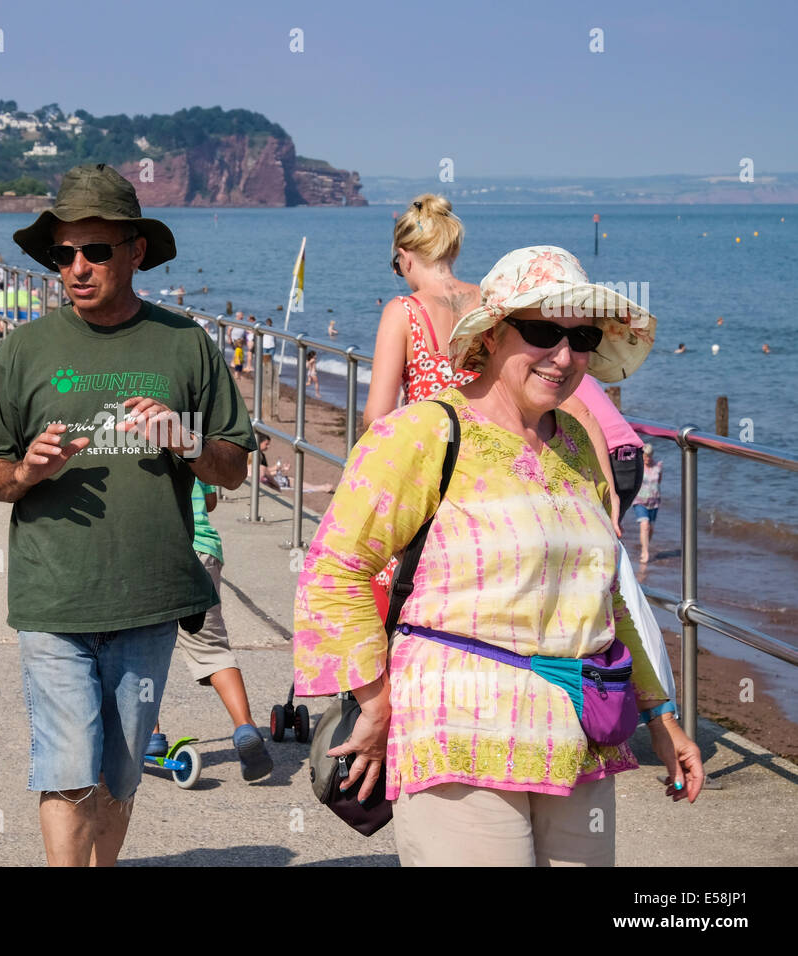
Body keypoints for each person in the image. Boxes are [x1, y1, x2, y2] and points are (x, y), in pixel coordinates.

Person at [295, 246, 701, 866]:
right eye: (541, 331)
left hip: (579, 735)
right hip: (459, 729)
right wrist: (376, 703)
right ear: (490, 335)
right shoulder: (424, 433)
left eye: (581, 337)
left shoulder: (577, 451)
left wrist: (661, 717)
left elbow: (607, 596)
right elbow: (334, 568)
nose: (563, 357)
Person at [0, 163, 254, 867]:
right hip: (54, 595)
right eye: (64, 254)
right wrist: (26, 471)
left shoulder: (185, 345)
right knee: (67, 767)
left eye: (95, 251)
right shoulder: (25, 350)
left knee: (119, 776)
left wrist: (182, 440)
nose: (77, 268)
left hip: (151, 599)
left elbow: (234, 468)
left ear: (136, 251)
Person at [149, 479, 273, 781]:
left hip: (152, 550)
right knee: (213, 649)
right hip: (202, 550)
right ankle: (244, 726)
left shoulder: (129, 440)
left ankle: (150, 735)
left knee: (143, 645)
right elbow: (211, 501)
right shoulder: (190, 439)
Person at [363, 194, 480, 431]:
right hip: (486, 454)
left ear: (405, 259)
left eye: (398, 266)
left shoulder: (403, 312)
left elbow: (377, 417)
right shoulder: (487, 299)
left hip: (431, 456)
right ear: (453, 252)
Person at [561, 374, 644, 531]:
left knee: (593, 539)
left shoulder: (552, 379)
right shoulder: (578, 372)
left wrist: (610, 492)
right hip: (632, 459)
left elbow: (585, 416)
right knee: (603, 536)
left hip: (611, 461)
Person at [632, 443, 662, 564]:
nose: (647, 458)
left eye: (649, 456)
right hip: (639, 501)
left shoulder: (658, 467)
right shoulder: (638, 466)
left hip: (654, 501)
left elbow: (659, 481)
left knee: (650, 528)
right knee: (644, 525)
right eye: (645, 456)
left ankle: (645, 545)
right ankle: (645, 552)